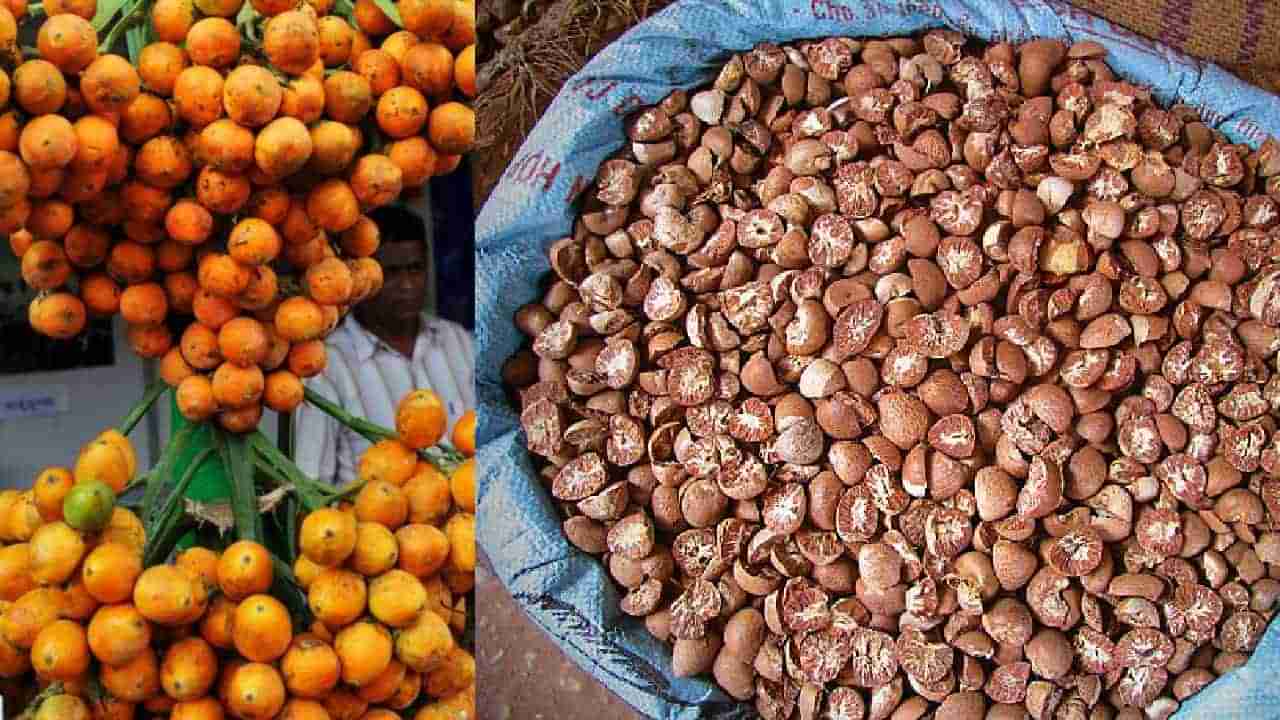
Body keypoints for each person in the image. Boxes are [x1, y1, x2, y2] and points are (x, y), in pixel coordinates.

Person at [293, 204, 474, 486]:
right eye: (391, 273)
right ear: (361, 279)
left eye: (415, 269)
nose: (407, 285)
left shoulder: (459, 342)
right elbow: (311, 482)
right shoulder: (327, 366)